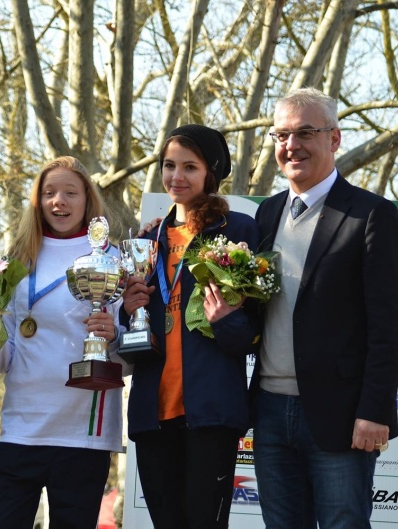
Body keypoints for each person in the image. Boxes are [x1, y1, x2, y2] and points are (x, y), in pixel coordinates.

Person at [251, 87, 398, 528]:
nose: (291, 145)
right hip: (269, 412)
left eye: (305, 132)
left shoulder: (372, 215)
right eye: (281, 135)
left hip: (342, 414)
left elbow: (390, 327)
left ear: (334, 139)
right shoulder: (266, 215)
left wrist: (375, 409)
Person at [0, 156, 126, 529]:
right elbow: (2, 361)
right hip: (22, 427)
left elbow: (130, 359)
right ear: (37, 201)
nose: (59, 201)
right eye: (49, 192)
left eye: (70, 192)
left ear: (87, 199)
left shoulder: (113, 259)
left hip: (83, 432)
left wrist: (114, 336)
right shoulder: (17, 261)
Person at [122, 125, 260, 528]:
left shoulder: (238, 232)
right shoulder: (147, 240)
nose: (176, 177)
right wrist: (127, 311)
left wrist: (227, 321)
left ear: (210, 174)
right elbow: (132, 328)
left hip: (211, 413)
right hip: (153, 413)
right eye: (169, 166)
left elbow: (253, 332)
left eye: (189, 167)